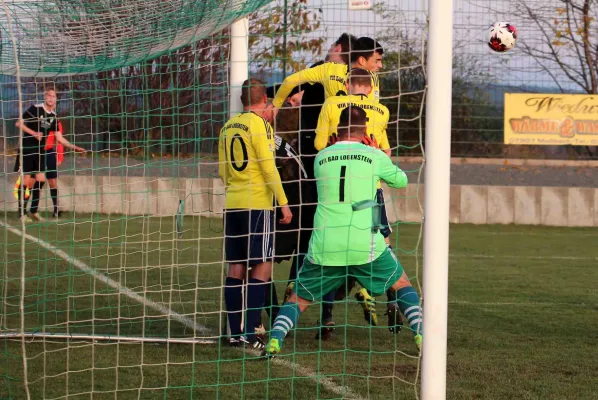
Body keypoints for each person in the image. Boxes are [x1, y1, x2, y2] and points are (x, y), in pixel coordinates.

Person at [263, 106, 423, 358]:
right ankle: (420, 332)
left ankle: (275, 341)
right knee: (401, 283)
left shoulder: (320, 158)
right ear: (366, 130)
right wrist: (379, 154)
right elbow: (401, 181)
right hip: (364, 243)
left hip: (326, 243)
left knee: (299, 299)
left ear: (337, 129)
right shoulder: (373, 156)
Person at [218, 78, 293, 348]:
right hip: (258, 205)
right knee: (262, 266)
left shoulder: (227, 127)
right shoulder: (259, 125)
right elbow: (268, 167)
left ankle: (235, 333)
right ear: (264, 102)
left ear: (241, 101)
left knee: (236, 266)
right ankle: (250, 333)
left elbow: (223, 170)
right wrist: (283, 203)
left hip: (233, 203)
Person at [14, 87, 85, 221]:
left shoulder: (53, 117)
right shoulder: (35, 108)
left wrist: (75, 147)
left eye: (54, 96)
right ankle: (21, 214)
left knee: (40, 180)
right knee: (27, 181)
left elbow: (59, 138)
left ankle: (33, 211)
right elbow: (19, 123)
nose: (51, 98)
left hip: (41, 152)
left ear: (56, 99)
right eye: (49, 95)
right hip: (28, 149)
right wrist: (34, 133)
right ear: (45, 97)